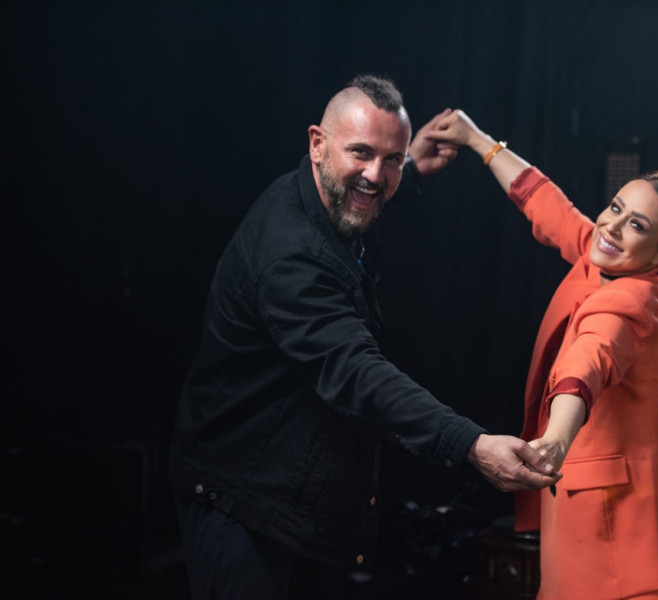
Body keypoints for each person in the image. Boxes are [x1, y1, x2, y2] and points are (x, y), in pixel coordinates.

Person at [169, 76, 560, 600]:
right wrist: (471, 443)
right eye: (361, 153)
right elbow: (356, 372)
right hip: (241, 499)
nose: (377, 174)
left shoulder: (323, 195)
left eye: (391, 158)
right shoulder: (291, 253)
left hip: (296, 494)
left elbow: (363, 192)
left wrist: (411, 166)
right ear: (317, 143)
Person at [429, 110, 658, 599]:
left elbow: (588, 362)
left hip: (625, 548)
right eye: (615, 207)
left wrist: (556, 438)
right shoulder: (610, 261)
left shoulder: (628, 302)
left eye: (636, 224)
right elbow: (547, 206)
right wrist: (476, 139)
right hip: (635, 530)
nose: (611, 226)